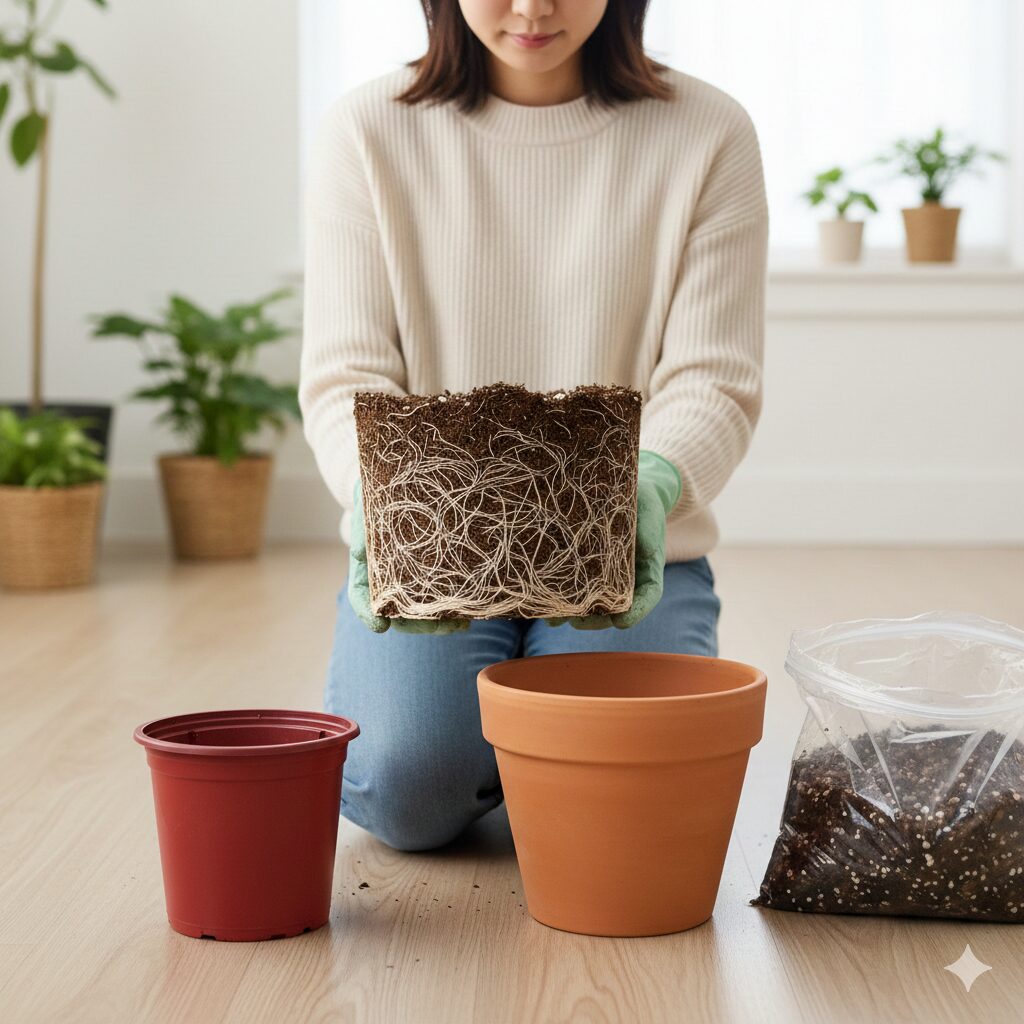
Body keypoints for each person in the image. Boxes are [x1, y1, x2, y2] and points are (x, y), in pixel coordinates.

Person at [299, 0, 769, 851]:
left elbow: (712, 378)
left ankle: (531, 760)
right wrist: (385, 505)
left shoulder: (708, 132)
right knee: (408, 794)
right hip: (437, 554)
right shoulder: (366, 131)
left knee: (620, 813)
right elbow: (346, 379)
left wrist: (652, 484)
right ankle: (505, 755)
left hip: (621, 551)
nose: (532, 9)